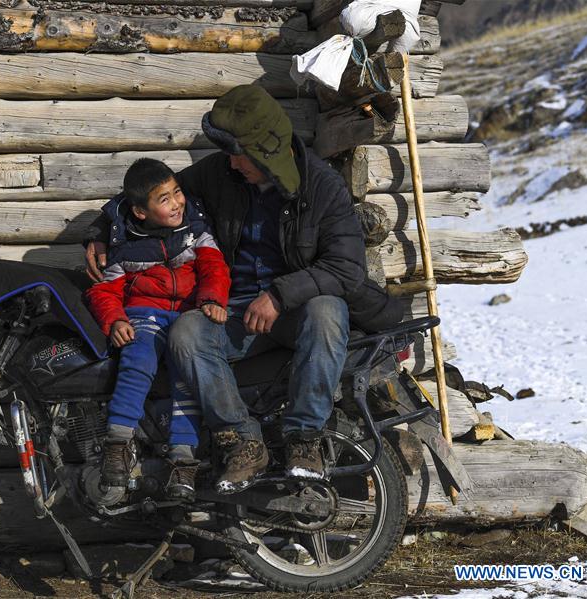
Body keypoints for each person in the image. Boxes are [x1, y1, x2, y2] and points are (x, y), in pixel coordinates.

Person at [85, 85, 402, 495]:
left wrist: (280, 295)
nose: (230, 163)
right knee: (185, 332)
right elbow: (144, 196)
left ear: (266, 153)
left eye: (239, 154)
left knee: (327, 310)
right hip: (232, 310)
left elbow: (346, 268)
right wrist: (101, 231)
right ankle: (242, 440)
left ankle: (305, 438)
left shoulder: (322, 187)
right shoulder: (220, 173)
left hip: (295, 311)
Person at [84, 158, 231, 501]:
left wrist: (212, 300)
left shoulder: (196, 232)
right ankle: (118, 442)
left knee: (186, 375)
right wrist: (116, 320)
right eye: (164, 199)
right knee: (139, 356)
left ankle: (183, 458)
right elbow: (104, 291)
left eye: (177, 192)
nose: (177, 202)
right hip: (145, 313)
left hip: (189, 314)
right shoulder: (126, 246)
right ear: (140, 212)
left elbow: (215, 268)